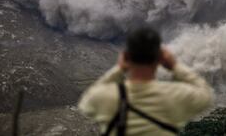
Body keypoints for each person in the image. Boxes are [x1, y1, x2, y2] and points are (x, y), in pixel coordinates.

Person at [78, 27, 213, 135]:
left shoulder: (108, 97)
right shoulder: (173, 95)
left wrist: (119, 69)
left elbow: (86, 101)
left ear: (127, 56)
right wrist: (174, 66)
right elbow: (206, 95)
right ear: (160, 58)